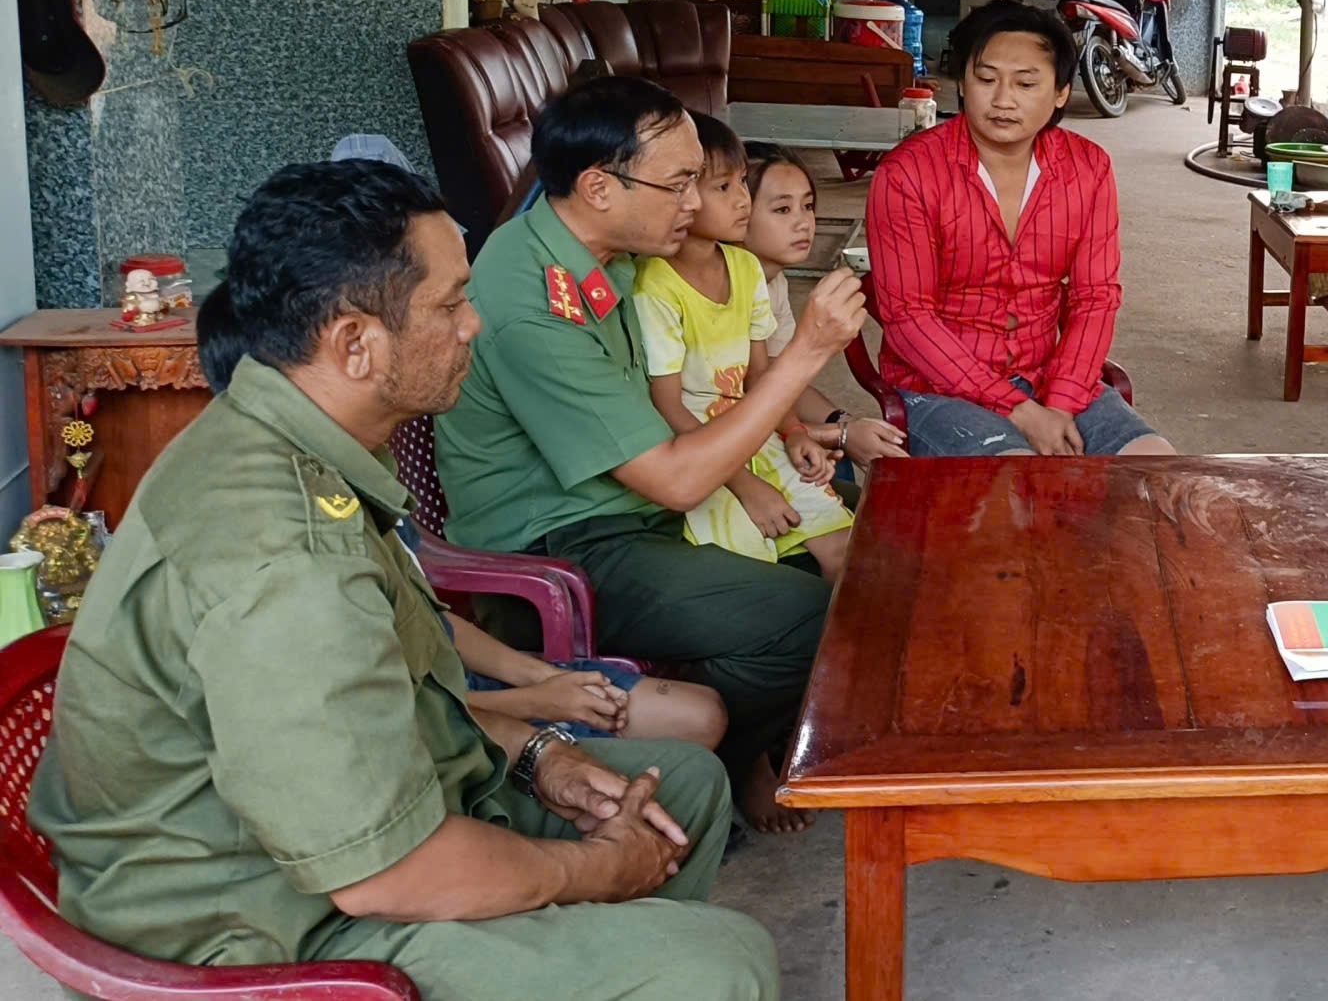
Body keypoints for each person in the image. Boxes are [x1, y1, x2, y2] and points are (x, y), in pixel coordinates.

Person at [29, 161, 776, 999]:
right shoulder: (285, 559)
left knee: (683, 789)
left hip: (346, 842)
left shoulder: (305, 443)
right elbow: (385, 872)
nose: (474, 324)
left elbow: (403, 699)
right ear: (355, 344)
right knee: (718, 962)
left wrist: (538, 756)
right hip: (260, 927)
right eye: (450, 305)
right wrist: (593, 871)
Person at [433, 75, 866, 834]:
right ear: (599, 187)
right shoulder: (532, 302)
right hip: (566, 544)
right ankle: (727, 759)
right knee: (811, 614)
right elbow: (674, 480)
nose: (696, 203)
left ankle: (733, 729)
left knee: (861, 541)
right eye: (679, 184)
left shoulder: (605, 249)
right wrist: (807, 351)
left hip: (632, 510)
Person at [192, 300, 729, 752]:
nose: (470, 323)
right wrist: (534, 703)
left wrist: (543, 676)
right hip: (435, 728)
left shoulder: (357, 472)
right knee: (685, 758)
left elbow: (432, 620)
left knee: (700, 714)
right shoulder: (289, 539)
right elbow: (393, 713)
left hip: (462, 681)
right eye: (447, 305)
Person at [864, 1, 1174, 457]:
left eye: (1026, 84)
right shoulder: (907, 175)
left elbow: (1095, 298)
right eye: (986, 79)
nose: (1003, 100)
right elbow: (909, 318)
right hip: (938, 388)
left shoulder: (1087, 169)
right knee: (1019, 481)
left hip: (1049, 377)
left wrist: (1062, 402)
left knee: (1158, 470)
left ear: (1061, 92)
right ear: (962, 83)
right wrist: (1021, 411)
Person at [631, 111, 875, 580]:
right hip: (700, 451)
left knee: (846, 551)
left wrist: (796, 433)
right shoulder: (654, 287)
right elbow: (668, 408)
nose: (742, 199)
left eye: (742, 183)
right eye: (724, 187)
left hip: (756, 432)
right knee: (755, 563)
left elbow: (761, 377)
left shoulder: (745, 271)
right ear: (681, 195)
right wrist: (746, 486)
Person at [740, 142, 906, 471]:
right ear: (736, 211)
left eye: (808, 206)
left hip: (758, 427)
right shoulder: (724, 291)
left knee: (838, 457)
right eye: (782, 210)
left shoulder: (773, 284)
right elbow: (741, 402)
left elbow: (783, 380)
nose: (804, 222)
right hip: (727, 448)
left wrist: (844, 422)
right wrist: (837, 434)